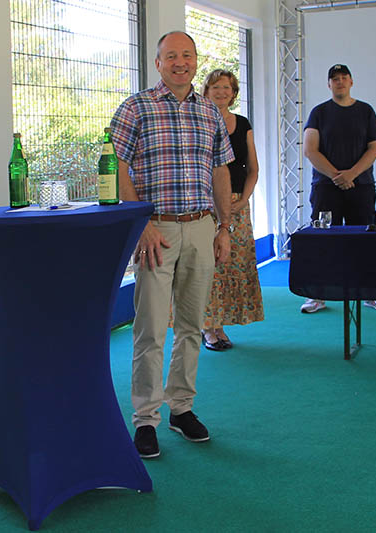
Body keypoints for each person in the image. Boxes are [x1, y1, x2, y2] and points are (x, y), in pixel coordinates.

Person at [110, 31, 234, 459]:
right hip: (155, 231)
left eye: (187, 55)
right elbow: (116, 165)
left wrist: (224, 228)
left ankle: (182, 408)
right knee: (149, 329)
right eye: (171, 56)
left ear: (195, 61)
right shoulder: (136, 108)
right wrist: (137, 222)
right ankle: (146, 418)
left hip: (201, 226)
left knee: (191, 325)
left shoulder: (210, 112)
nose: (180, 62)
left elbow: (221, 172)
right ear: (158, 62)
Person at [300, 63, 376, 314]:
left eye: (344, 78)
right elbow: (310, 149)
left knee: (364, 239)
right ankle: (317, 294)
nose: (339, 82)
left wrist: (352, 174)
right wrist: (336, 176)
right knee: (322, 240)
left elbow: (375, 147)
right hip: (325, 188)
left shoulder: (365, 111)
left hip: (360, 186)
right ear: (328, 84)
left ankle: (370, 291)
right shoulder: (319, 113)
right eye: (334, 79)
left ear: (351, 82)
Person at [200, 69, 264, 351]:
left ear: (234, 93)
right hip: (205, 204)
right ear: (206, 91)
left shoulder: (243, 123)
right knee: (209, 266)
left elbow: (253, 169)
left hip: (238, 204)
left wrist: (243, 199)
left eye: (226, 87)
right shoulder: (197, 120)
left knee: (231, 265)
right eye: (215, 87)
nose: (221, 92)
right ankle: (208, 327)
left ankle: (221, 324)